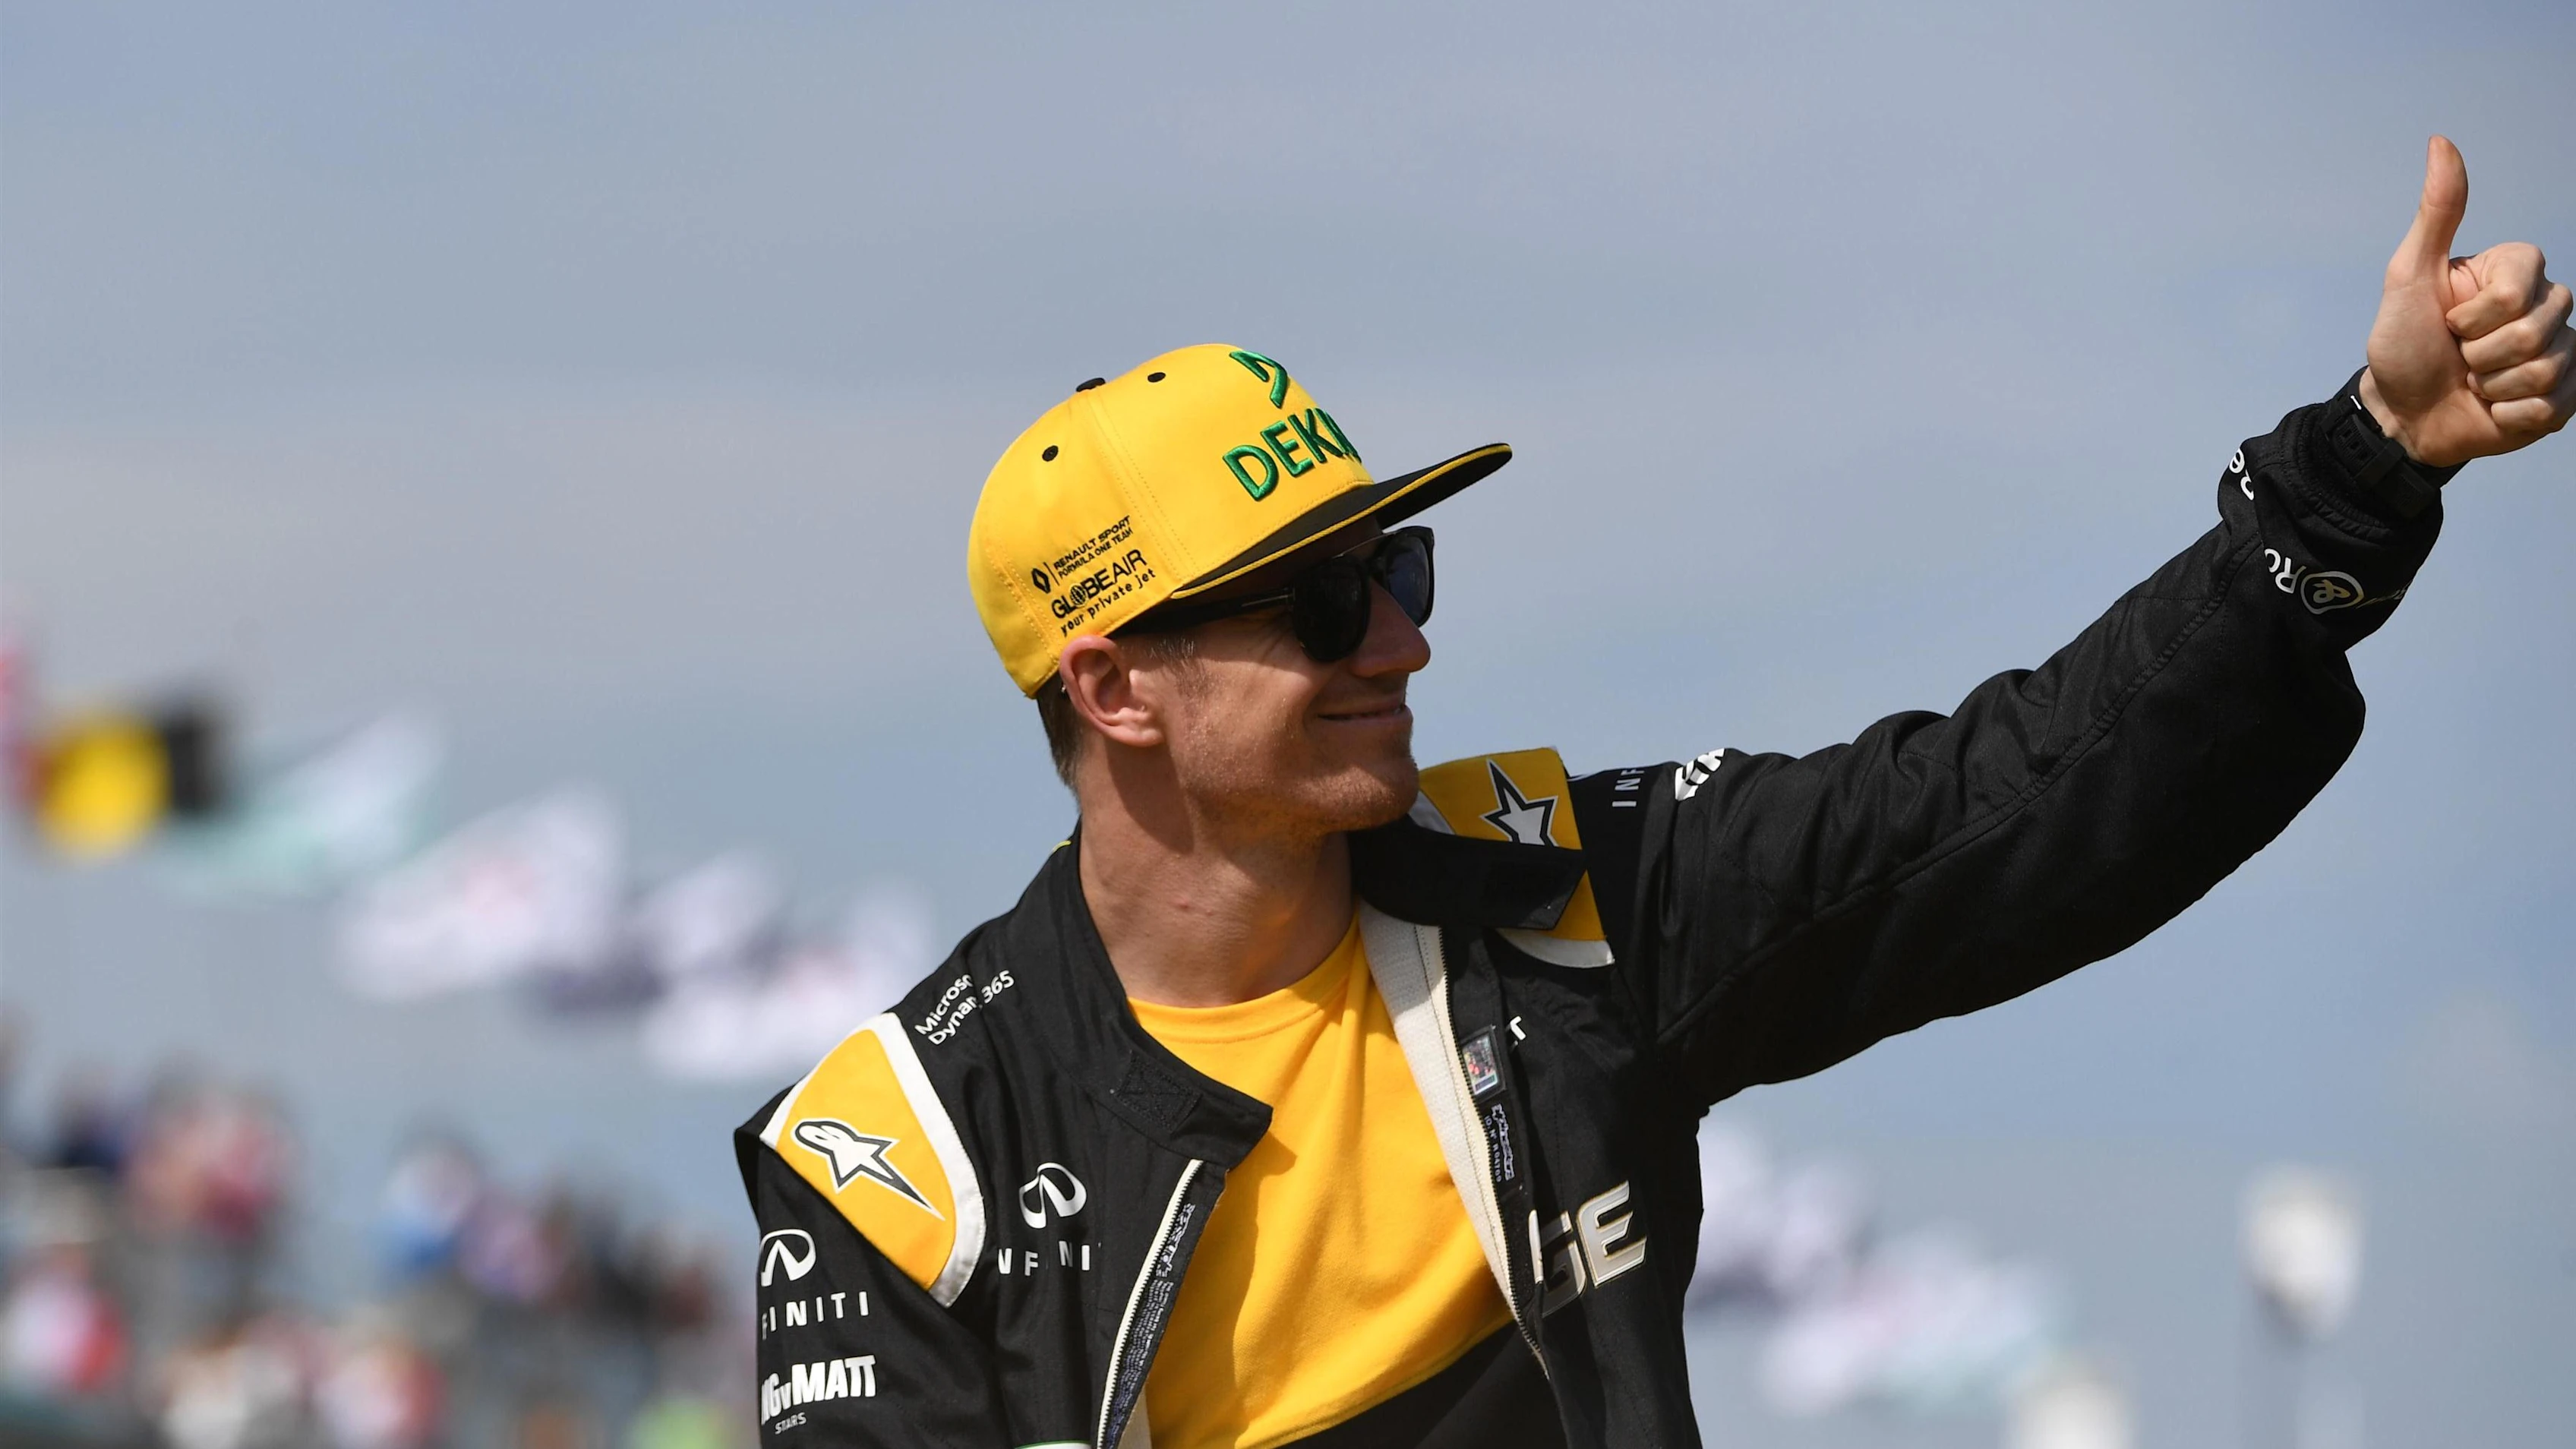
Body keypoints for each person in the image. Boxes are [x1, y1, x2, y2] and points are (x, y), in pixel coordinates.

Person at [736, 137, 2571, 1448]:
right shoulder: (895, 1162)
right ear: (1112, 686)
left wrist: (2367, 467)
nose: (1398, 644)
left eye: (1404, 573)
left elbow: (2010, 806)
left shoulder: (1563, 892)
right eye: (1320, 604)